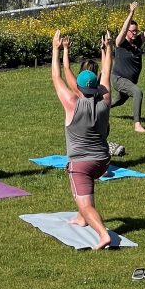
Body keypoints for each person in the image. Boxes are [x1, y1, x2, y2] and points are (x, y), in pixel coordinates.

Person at [51, 30, 113, 250]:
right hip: (103, 161)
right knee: (84, 194)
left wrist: (56, 49)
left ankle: (102, 234)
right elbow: (106, 72)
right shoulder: (105, 101)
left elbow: (57, 77)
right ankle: (81, 217)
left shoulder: (72, 103)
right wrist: (107, 49)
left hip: (82, 164)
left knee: (84, 203)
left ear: (78, 87)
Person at [110, 1, 145, 133]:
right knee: (137, 92)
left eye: (136, 31)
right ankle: (137, 124)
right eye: (132, 31)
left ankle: (97, 108)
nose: (134, 33)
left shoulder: (137, 41)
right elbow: (123, 30)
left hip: (129, 80)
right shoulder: (120, 43)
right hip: (118, 78)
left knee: (118, 101)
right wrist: (131, 13)